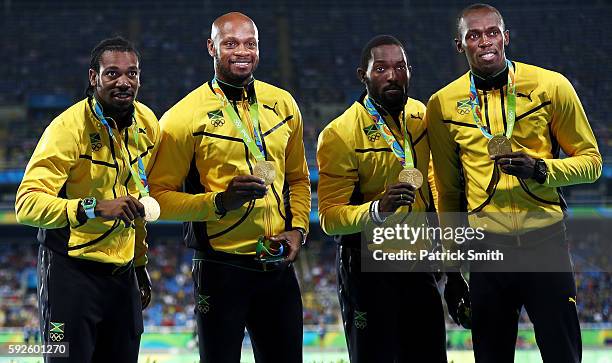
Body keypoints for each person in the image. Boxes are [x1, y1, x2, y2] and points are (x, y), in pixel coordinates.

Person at [427, 4, 602, 363]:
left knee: (564, 356)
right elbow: (447, 192)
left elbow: (592, 163)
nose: (485, 41)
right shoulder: (442, 105)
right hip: (486, 252)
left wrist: (540, 169)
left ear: (506, 37)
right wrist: (454, 271)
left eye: (492, 32)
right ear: (460, 45)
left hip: (546, 244)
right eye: (473, 35)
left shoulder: (551, 86)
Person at [148, 12, 310, 363]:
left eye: (250, 43)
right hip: (221, 270)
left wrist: (298, 230)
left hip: (278, 267)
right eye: (231, 43)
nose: (242, 52)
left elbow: (297, 178)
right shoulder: (182, 117)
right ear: (211, 47)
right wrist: (219, 202)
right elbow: (157, 199)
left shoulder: (283, 104)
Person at [317, 35, 468, 363]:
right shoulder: (339, 133)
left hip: (419, 267)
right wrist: (376, 210)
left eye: (399, 67)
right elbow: (329, 216)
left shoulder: (421, 116)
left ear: (409, 72)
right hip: (367, 271)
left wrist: (453, 270)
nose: (391, 75)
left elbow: (434, 188)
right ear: (363, 75)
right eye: (381, 68)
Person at [15, 36, 159, 362]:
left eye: (132, 73)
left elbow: (139, 196)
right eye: (112, 73)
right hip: (70, 273)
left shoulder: (149, 125)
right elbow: (26, 204)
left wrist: (139, 266)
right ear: (94, 77)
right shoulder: (67, 128)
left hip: (122, 276)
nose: (124, 82)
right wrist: (93, 207)